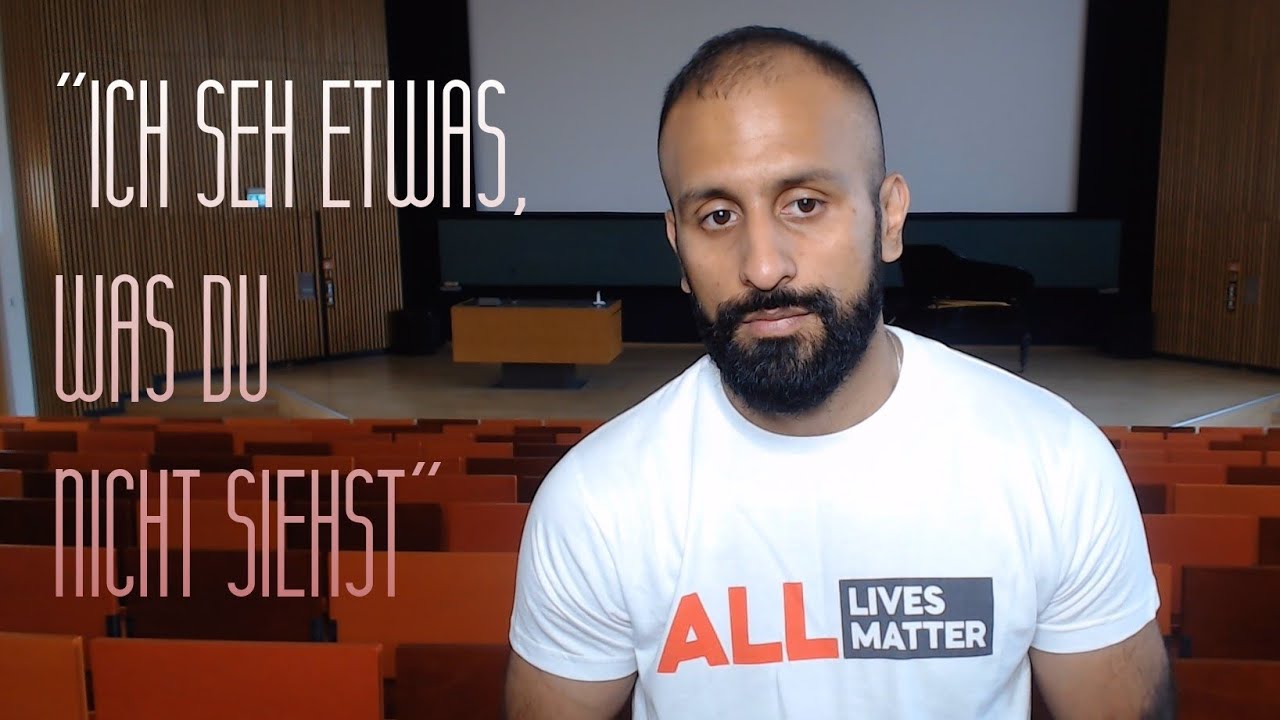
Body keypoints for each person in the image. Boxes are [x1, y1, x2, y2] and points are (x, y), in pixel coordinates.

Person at [503, 25, 1173, 720]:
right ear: (678, 244)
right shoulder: (595, 502)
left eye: (804, 203)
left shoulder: (1055, 465)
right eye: (718, 215)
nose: (764, 266)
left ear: (889, 217)